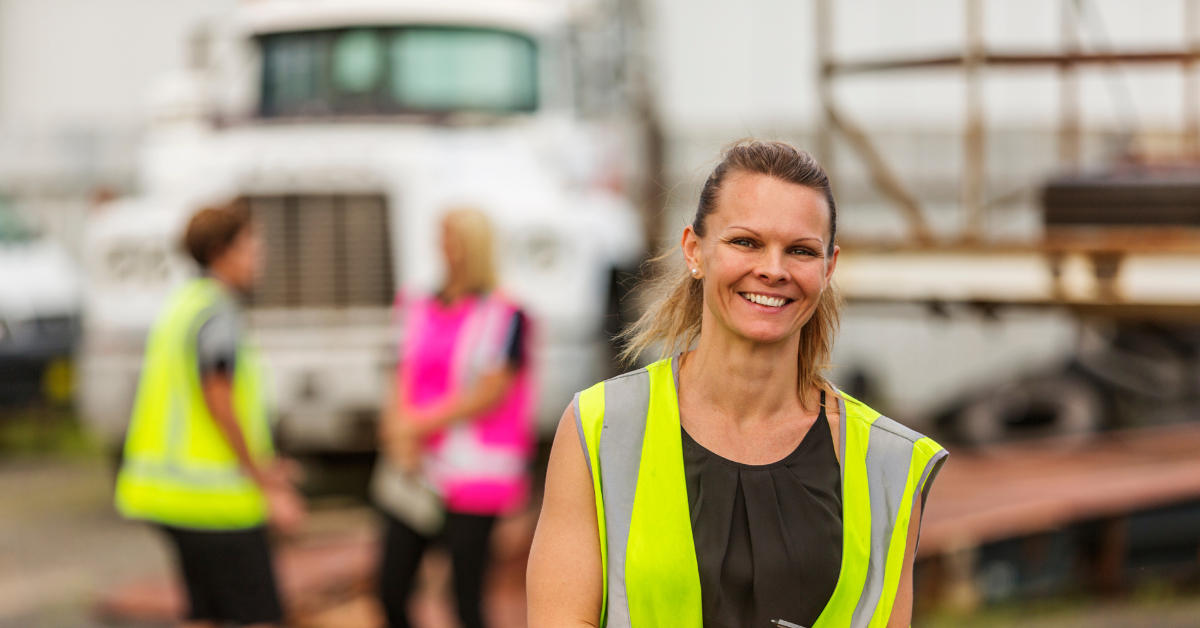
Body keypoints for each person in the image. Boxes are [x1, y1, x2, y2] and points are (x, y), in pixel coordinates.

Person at [527, 140, 948, 628]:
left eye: (801, 250)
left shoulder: (890, 463)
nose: (773, 269)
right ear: (694, 250)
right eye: (745, 242)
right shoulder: (599, 430)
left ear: (828, 268)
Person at [114, 201, 305, 628]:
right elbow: (220, 400)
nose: (260, 255)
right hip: (215, 501)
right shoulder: (217, 313)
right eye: (251, 245)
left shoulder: (181, 306)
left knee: (205, 615)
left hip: (167, 495)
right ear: (222, 250)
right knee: (258, 616)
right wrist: (263, 477)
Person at [375, 208, 534, 628]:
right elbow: (400, 371)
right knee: (390, 588)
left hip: (474, 477)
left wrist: (415, 424)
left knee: (465, 598)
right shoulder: (416, 301)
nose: (444, 247)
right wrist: (400, 436)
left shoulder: (504, 313)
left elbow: (490, 390)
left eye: (452, 237)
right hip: (416, 468)